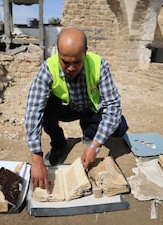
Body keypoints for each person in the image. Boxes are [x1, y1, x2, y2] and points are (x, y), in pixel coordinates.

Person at [25, 27, 128, 192]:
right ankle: (59, 144)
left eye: (77, 62)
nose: (71, 68)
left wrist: (95, 146)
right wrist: (36, 156)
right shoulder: (48, 68)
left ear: (85, 53)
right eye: (65, 62)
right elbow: (33, 109)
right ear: (57, 52)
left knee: (120, 127)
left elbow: (113, 107)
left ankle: (89, 132)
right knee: (42, 110)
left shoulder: (99, 65)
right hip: (65, 109)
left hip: (88, 108)